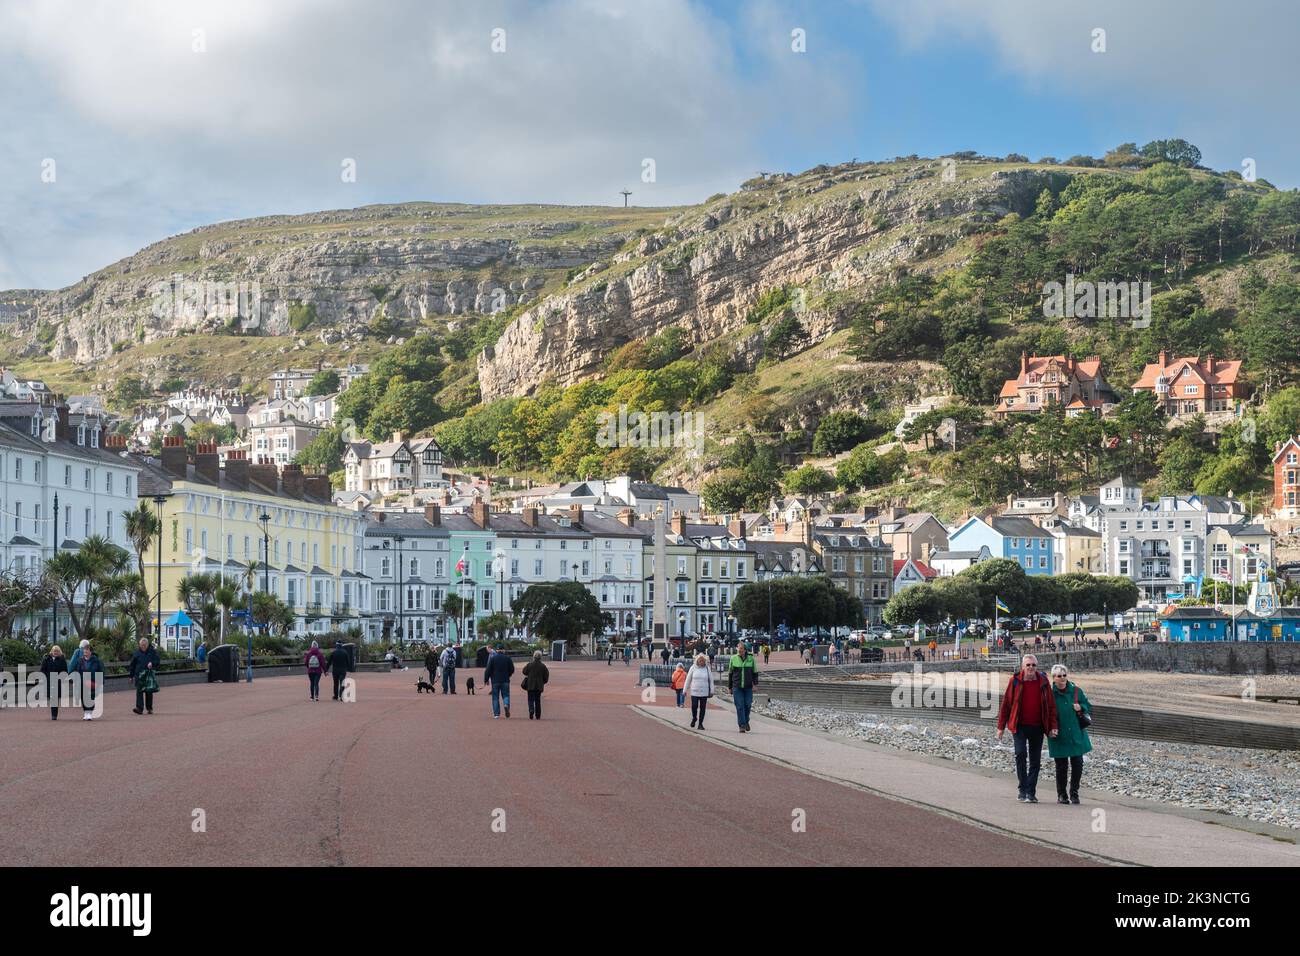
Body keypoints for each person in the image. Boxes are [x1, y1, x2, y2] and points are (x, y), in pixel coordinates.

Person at [995, 654, 1059, 803]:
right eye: (1028, 665)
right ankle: (1022, 789)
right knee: (1020, 754)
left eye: (1033, 665)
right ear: (1022, 667)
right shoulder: (1015, 681)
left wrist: (1053, 726)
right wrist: (1001, 727)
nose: (1031, 668)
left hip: (1038, 727)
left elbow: (1051, 706)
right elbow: (1006, 704)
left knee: (1035, 760)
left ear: (1037, 667)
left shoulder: (1043, 682)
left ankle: (1031, 792)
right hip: (1019, 726)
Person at [1048, 664, 1092, 805]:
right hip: (1058, 735)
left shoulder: (1076, 691)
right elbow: (1046, 713)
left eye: (1064, 675)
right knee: (1061, 766)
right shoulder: (1049, 694)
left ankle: (1074, 793)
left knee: (1078, 763)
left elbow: (1088, 706)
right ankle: (1062, 794)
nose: (1062, 678)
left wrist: (1081, 707)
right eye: (1059, 676)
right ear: (1053, 678)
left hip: (1076, 734)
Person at [727, 641, 759, 733]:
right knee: (740, 706)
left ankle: (746, 721)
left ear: (745, 650)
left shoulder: (751, 659)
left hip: (748, 687)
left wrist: (755, 685)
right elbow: (730, 674)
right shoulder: (733, 658)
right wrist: (729, 687)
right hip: (737, 687)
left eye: (741, 648)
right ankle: (742, 725)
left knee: (748, 705)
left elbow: (755, 673)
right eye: (738, 648)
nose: (739, 650)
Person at [128, 637, 161, 715]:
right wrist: (130, 676)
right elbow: (132, 665)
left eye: (144, 645)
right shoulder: (136, 653)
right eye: (141, 645)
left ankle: (149, 708)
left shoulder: (152, 652)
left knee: (148, 692)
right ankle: (139, 708)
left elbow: (157, 661)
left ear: (147, 645)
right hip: (139, 675)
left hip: (148, 674)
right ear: (139, 645)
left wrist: (152, 663)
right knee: (139, 691)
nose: (143, 647)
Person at [73, 642, 103, 720]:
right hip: (82, 681)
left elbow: (100, 671)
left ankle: (89, 712)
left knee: (91, 697)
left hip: (93, 681)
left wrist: (101, 682)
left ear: (91, 652)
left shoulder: (96, 661)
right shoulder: (80, 660)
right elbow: (77, 671)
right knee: (83, 697)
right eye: (84, 650)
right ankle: (86, 712)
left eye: (87, 650)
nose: (85, 652)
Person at [483, 644, 515, 719]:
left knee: (495, 697)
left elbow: (488, 670)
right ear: (503, 650)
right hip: (505, 680)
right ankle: (506, 705)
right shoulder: (507, 658)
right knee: (506, 695)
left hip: (495, 680)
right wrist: (508, 675)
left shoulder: (493, 658)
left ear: (497, 650)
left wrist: (486, 679)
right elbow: (512, 669)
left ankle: (496, 714)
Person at [684, 653, 714, 730]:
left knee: (702, 708)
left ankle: (700, 724)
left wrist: (712, 690)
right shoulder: (693, 668)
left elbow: (711, 680)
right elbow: (688, 679)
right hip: (694, 691)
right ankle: (694, 718)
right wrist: (685, 690)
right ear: (697, 661)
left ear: (705, 661)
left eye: (703, 661)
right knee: (694, 706)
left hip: (704, 691)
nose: (701, 662)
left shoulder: (707, 669)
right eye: (700, 660)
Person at [521, 650, 550, 720]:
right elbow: (546, 676)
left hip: (530, 685)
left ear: (534, 656)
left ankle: (531, 709)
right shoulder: (543, 666)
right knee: (538, 700)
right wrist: (543, 682)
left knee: (530, 699)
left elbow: (524, 671)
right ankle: (538, 715)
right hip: (539, 686)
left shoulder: (530, 664)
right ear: (540, 657)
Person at [40, 644, 65, 720]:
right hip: (49, 680)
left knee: (55, 698)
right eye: (54, 651)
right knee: (51, 697)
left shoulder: (62, 660)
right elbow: (43, 669)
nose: (55, 652)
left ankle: (54, 715)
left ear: (59, 652)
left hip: (57, 680)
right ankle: (53, 712)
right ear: (52, 651)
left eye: (57, 651)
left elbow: (64, 670)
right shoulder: (47, 659)